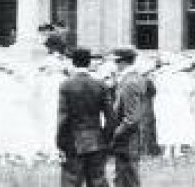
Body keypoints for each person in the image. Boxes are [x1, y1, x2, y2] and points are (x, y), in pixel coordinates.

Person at [56, 47, 114, 187]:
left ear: (72, 62)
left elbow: (63, 117)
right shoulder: (100, 85)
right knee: (98, 180)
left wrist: (60, 142)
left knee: (71, 180)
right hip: (97, 139)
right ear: (89, 63)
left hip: (73, 141)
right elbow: (111, 117)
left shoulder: (66, 85)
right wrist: (105, 137)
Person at [111, 47, 144, 187]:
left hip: (127, 137)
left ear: (122, 62)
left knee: (129, 177)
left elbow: (132, 118)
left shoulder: (130, 82)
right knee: (123, 176)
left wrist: (115, 133)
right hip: (127, 136)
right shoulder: (131, 78)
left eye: (116, 62)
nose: (115, 65)